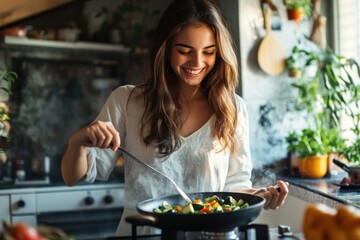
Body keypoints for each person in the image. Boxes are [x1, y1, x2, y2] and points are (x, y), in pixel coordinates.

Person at [61, 0, 289, 236]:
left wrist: (261, 196)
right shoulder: (126, 101)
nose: (197, 62)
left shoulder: (232, 108)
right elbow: (72, 176)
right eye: (184, 51)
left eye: (208, 52)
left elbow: (234, 187)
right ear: (166, 48)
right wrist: (78, 141)